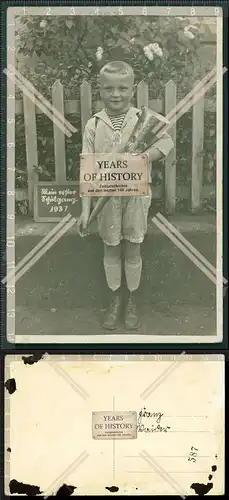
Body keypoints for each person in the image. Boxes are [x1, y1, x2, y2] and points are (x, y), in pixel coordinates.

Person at [78, 61, 174, 331]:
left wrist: (145, 156)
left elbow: (166, 141)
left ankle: (131, 298)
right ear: (100, 89)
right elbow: (86, 167)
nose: (116, 94)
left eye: (122, 88)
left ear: (133, 89)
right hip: (105, 199)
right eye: (109, 89)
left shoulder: (141, 117)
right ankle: (115, 298)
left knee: (133, 247)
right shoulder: (93, 125)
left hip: (135, 195)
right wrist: (86, 210)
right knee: (111, 247)